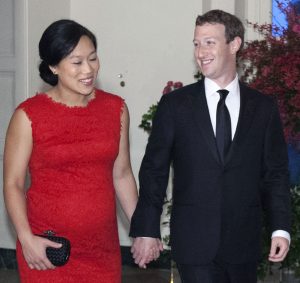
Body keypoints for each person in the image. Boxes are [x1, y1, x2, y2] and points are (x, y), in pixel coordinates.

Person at [129, 9, 291, 283]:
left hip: (244, 243)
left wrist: (280, 229)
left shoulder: (263, 108)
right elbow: (154, 171)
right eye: (196, 43)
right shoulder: (175, 105)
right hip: (194, 245)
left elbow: (275, 173)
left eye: (209, 42)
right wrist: (147, 229)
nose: (200, 51)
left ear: (234, 44)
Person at [3, 19, 138, 283]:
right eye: (76, 62)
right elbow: (13, 183)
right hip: (47, 250)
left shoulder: (116, 109)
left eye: (93, 58)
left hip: (102, 251)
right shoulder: (28, 116)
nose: (88, 70)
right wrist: (26, 238)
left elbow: (121, 175)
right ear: (53, 66)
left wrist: (142, 229)